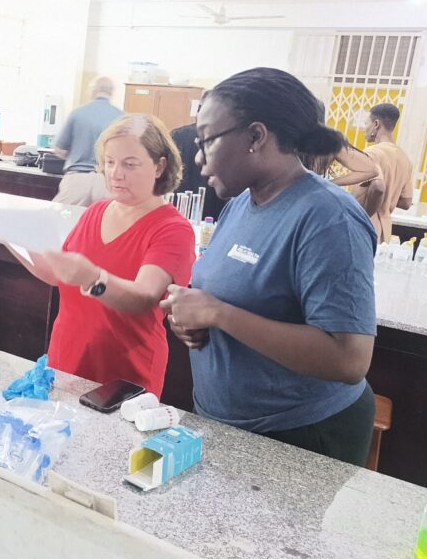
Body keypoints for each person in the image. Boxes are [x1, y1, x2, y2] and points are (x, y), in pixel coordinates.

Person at [162, 68, 377, 466]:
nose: (198, 157)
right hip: (225, 422)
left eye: (206, 140)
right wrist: (193, 321)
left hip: (298, 435)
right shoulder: (239, 205)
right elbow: (233, 299)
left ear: (256, 137)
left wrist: (218, 314)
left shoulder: (328, 217)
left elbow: (349, 359)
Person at [12, 113, 195, 396]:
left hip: (125, 374)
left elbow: (144, 297)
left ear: (159, 167)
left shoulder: (172, 229)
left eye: (129, 164)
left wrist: (93, 278)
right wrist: (10, 237)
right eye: (110, 162)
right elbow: (58, 276)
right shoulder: (95, 212)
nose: (116, 173)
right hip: (67, 360)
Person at [51, 76, 123, 207]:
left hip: (77, 180)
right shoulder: (122, 118)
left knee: (60, 217)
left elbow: (59, 150)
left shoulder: (77, 113)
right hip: (107, 181)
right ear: (111, 92)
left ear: (92, 91)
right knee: (103, 219)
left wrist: (76, 152)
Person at [353, 103, 414, 242]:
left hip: (364, 227)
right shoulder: (405, 159)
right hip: (385, 232)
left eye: (366, 123)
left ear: (376, 124)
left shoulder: (371, 153)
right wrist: (388, 198)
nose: (364, 128)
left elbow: (360, 196)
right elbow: (406, 202)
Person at [171, 95, 228, 221]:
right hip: (212, 211)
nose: (199, 159)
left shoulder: (177, 135)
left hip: (179, 206)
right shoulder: (222, 138)